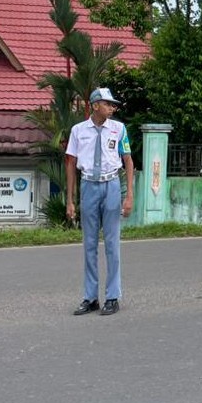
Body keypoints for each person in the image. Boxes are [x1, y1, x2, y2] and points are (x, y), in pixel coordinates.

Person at [65, 87, 135, 316]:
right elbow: (70, 164)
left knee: (112, 244)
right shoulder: (78, 131)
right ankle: (90, 297)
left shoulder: (118, 129)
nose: (112, 108)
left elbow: (128, 160)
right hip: (88, 186)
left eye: (113, 105)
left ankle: (113, 296)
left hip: (111, 185)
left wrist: (129, 195)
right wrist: (70, 201)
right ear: (95, 105)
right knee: (90, 245)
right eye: (107, 104)